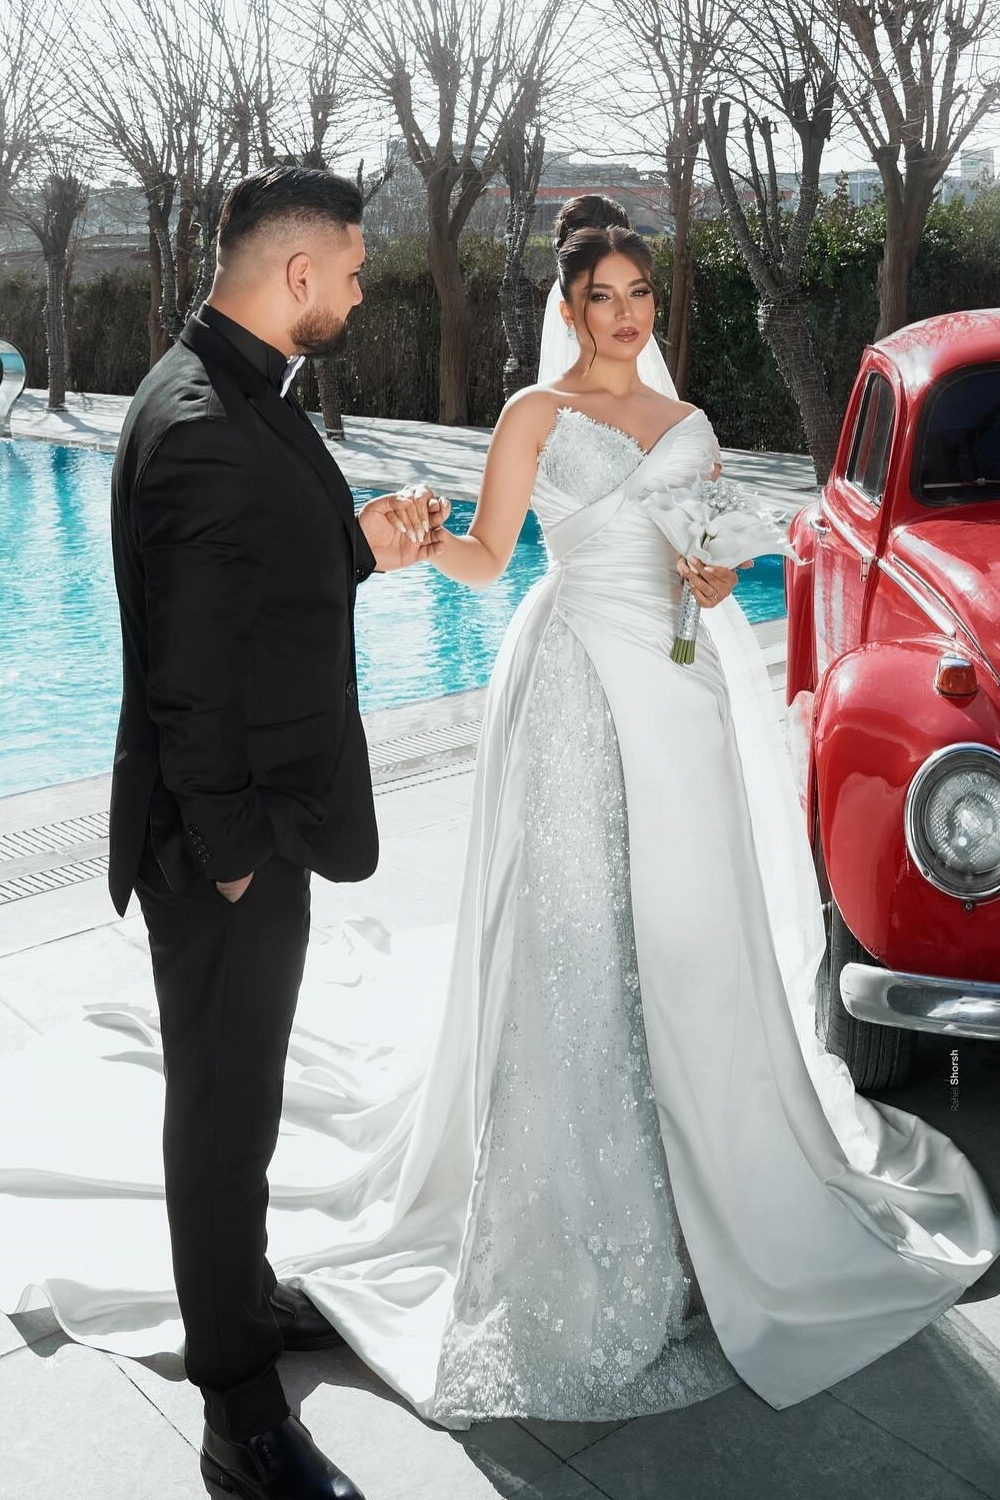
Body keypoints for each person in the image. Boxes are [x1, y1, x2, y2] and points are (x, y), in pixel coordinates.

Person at [1, 195, 999, 1461]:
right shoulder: (508, 416)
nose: (627, 319)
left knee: (689, 950)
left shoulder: (686, 425)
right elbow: (479, 558)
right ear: (568, 308)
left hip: (677, 697)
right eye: (603, 298)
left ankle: (714, 1188)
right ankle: (291, 1365)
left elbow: (692, 552)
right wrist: (421, 557)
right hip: (575, 691)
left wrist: (696, 573)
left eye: (643, 297)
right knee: (571, 946)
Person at [107, 166, 446, 1499]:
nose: (364, 289)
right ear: (296, 273)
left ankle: (244, 1293)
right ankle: (238, 1414)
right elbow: (190, 682)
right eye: (354, 267)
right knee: (222, 1107)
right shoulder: (199, 418)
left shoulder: (231, 386)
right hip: (224, 847)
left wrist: (362, 550)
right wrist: (241, 852)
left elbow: (257, 586)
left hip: (257, 828)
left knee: (238, 1103)